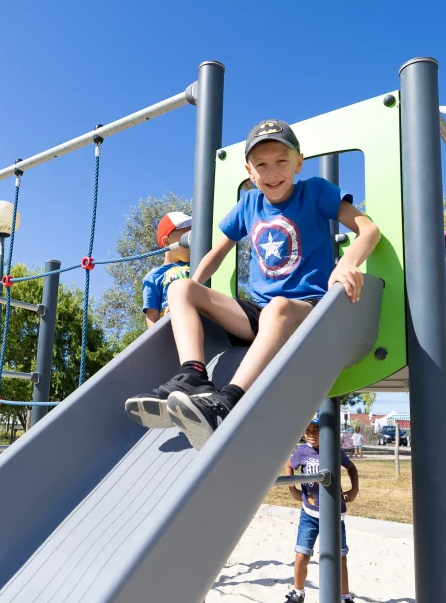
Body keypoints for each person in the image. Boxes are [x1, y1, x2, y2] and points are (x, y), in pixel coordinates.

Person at [125, 119, 381, 446]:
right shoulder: (249, 205)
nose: (272, 172)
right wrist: (189, 295)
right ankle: (193, 376)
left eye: (281, 162)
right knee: (180, 287)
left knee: (279, 307)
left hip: (308, 313)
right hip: (261, 315)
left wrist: (346, 263)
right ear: (250, 171)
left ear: (298, 162)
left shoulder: (315, 191)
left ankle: (229, 401)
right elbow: (216, 253)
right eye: (262, 165)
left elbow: (367, 229)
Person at [281, 415, 369, 603]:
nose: (311, 434)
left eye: (317, 429)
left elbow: (351, 468)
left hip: (334, 514)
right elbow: (289, 466)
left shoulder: (332, 449)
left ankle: (344, 598)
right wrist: (292, 488)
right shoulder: (302, 451)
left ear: (326, 431)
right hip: (309, 514)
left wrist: (354, 490)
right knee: (302, 554)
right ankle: (298, 593)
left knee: (340, 556)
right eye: (308, 430)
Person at [141, 212, 192, 329]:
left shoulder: (199, 263)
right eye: (187, 237)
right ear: (167, 242)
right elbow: (152, 317)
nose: (192, 242)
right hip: (175, 325)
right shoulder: (153, 277)